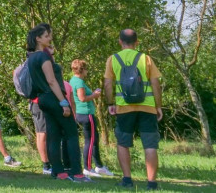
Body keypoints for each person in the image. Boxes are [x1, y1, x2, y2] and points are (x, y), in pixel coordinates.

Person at [26, 23, 88, 183]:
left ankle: (58, 172)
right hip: (53, 97)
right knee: (71, 133)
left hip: (42, 99)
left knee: (53, 136)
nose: (50, 38)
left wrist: (51, 55)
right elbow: (52, 80)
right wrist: (63, 102)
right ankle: (77, 173)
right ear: (38, 38)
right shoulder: (43, 57)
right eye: (47, 36)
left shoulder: (32, 57)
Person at [103, 29, 163, 190]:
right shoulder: (146, 58)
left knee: (123, 143)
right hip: (147, 107)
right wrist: (158, 106)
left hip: (124, 108)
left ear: (119, 41)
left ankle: (127, 179)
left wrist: (110, 104)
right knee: (150, 145)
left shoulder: (113, 59)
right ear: (137, 42)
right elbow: (156, 84)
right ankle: (151, 183)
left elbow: (108, 84)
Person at [69, 59, 112, 177]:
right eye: (86, 69)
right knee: (90, 141)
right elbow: (82, 98)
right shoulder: (79, 82)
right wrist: (95, 95)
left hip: (80, 113)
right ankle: (87, 168)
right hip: (86, 113)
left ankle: (99, 166)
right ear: (82, 70)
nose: (87, 72)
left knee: (94, 140)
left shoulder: (72, 80)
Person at [25, 37, 51, 174]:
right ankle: (45, 164)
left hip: (38, 101)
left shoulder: (31, 60)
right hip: (37, 102)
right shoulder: (36, 61)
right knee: (42, 133)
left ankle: (48, 162)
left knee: (44, 132)